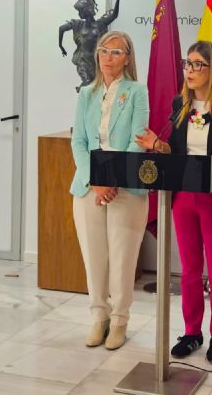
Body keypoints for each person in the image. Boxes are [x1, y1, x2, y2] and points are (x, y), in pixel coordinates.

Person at [135, 40, 212, 364]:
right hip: (184, 197)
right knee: (190, 270)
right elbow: (178, 151)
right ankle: (192, 332)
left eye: (196, 65)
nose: (189, 71)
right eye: (187, 64)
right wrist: (159, 145)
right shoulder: (181, 103)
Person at [70, 30, 149, 350]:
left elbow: (138, 140)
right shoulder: (86, 94)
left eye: (116, 52)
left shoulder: (137, 92)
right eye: (104, 50)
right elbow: (79, 141)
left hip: (125, 187)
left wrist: (113, 179)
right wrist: (96, 181)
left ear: (127, 58)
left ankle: (119, 321)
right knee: (94, 258)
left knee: (121, 259)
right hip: (89, 187)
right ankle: (99, 317)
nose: (108, 57)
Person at [59, 0, 127, 92]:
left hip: (97, 61)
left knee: (99, 87)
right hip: (83, 61)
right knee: (87, 84)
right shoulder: (78, 24)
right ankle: (84, 95)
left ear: (86, 10)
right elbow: (61, 28)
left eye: (80, 11)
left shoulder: (100, 24)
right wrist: (61, 46)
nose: (79, 14)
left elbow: (114, 15)